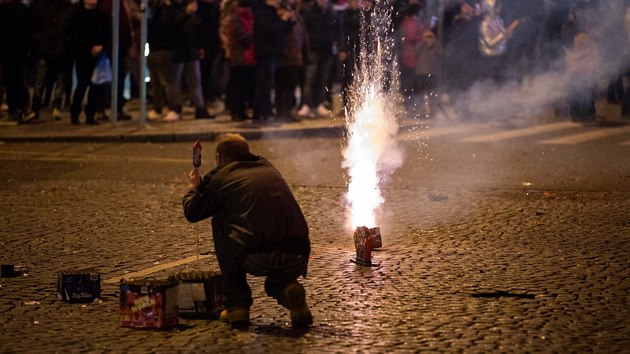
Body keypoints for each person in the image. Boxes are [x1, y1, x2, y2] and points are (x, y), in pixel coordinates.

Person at [182, 133, 313, 328]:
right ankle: (288, 288)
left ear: (218, 158)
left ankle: (237, 306)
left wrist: (194, 188)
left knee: (221, 222)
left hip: (258, 255)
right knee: (276, 282)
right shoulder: (268, 167)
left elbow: (193, 212)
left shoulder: (221, 177)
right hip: (297, 252)